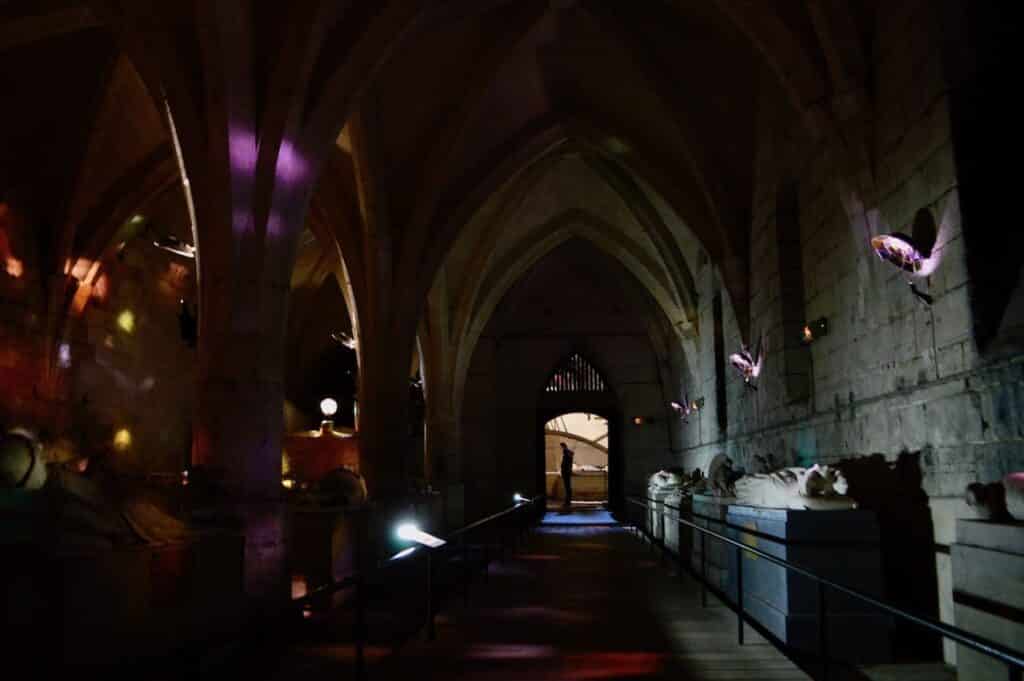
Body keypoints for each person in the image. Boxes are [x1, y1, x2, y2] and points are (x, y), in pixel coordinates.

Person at [559, 442, 575, 508]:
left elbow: (566, 464)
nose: (561, 449)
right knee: (568, 487)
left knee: (567, 487)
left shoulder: (566, 453)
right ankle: (568, 501)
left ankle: (567, 502)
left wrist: (565, 470)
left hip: (566, 473)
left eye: (561, 447)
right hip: (566, 472)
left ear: (563, 446)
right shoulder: (568, 454)